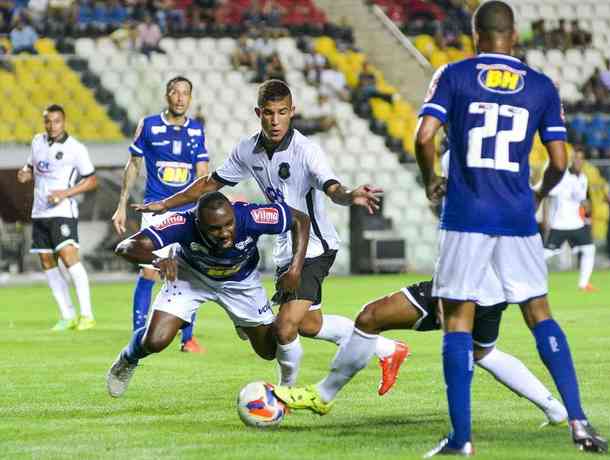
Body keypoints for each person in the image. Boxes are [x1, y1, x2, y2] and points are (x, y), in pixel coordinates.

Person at [413, 1, 607, 455]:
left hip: (466, 213)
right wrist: (538, 193)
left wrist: (430, 182)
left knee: (457, 321)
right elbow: (559, 161)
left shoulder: (453, 75)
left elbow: (424, 137)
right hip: (517, 215)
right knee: (540, 313)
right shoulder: (542, 85)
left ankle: (462, 440)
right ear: (514, 34)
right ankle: (578, 421)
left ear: (475, 34)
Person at [133, 79, 409, 395]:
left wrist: (350, 194)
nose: (275, 120)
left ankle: (284, 394)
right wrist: (166, 203)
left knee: (284, 326)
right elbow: (210, 183)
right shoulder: (247, 150)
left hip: (313, 247)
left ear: (292, 112)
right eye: (268, 113)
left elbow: (332, 187)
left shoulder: (307, 151)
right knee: (310, 325)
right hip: (284, 248)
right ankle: (388, 349)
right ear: (258, 113)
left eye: (282, 112)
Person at [271, 153, 568, 427]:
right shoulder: (503, 162)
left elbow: (464, 227)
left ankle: (323, 395)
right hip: (495, 285)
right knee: (483, 351)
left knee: (370, 317)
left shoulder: (461, 158)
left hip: (465, 281)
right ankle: (555, 409)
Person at [106, 191, 310, 397]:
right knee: (155, 341)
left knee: (268, 352)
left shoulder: (252, 216)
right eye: (214, 228)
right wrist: (156, 260)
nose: (224, 233)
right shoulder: (181, 223)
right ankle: (127, 359)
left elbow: (300, 219)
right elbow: (125, 247)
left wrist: (295, 269)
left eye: (228, 224)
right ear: (198, 222)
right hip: (190, 277)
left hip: (240, 283)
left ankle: (243, 324)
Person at [111, 76, 209, 353]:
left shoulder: (197, 130)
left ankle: (187, 339)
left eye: (185, 93)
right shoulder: (149, 125)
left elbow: (203, 173)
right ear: (167, 95)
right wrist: (121, 204)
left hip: (187, 212)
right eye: (175, 92)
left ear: (190, 98)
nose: (180, 97)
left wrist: (202, 208)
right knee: (149, 271)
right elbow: (133, 164)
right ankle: (139, 332)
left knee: (189, 272)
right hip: (156, 209)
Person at [17, 104, 97, 331]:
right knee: (46, 261)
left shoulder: (75, 149)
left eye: (56, 121)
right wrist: (25, 173)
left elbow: (92, 180)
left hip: (63, 212)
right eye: (48, 121)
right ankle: (67, 315)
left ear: (64, 122)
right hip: (39, 211)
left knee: (69, 257)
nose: (52, 126)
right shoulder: (37, 141)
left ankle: (87, 315)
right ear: (44, 122)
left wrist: (65, 193)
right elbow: (30, 166)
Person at [543, 150, 596, 291]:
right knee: (545, 255)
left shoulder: (583, 178)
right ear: (572, 160)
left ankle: (583, 284)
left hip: (576, 223)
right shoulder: (563, 176)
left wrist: (587, 211)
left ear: (584, 161)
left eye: (581, 158)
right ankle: (527, 278)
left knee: (589, 249)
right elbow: (550, 192)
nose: (578, 161)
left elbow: (581, 199)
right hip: (560, 224)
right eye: (576, 158)